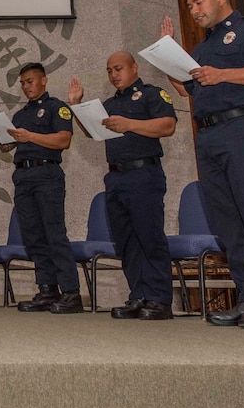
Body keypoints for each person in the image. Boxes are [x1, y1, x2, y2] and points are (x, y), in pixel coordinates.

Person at [160, 0, 244, 329]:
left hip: (242, 130)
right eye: (189, 7)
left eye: (199, 2)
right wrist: (169, 57)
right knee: (228, 224)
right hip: (209, 136)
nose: (194, 11)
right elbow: (188, 90)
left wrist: (224, 75)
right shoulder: (201, 49)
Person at [68, 52, 177, 321]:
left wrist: (129, 124)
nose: (113, 74)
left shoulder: (152, 94)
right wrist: (76, 107)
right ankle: (138, 295)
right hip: (116, 177)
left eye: (118, 68)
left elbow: (168, 126)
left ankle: (159, 298)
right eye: (109, 70)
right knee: (126, 241)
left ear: (134, 68)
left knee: (149, 237)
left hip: (144, 174)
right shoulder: (108, 104)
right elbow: (94, 132)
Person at [0, 63, 82, 314]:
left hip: (47, 173)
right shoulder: (20, 115)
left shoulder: (56, 107)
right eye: (23, 83)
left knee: (54, 233)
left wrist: (31, 137)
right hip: (23, 176)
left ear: (44, 80)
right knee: (33, 235)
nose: (26, 86)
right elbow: (7, 147)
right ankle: (47, 289)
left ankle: (71, 292)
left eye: (30, 81)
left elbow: (64, 140)